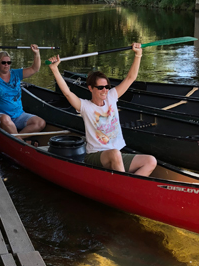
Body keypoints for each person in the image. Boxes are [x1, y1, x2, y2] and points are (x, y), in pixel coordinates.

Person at [47, 43, 157, 177]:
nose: (105, 90)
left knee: (151, 161)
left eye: (106, 86)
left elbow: (130, 78)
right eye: (100, 88)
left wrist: (138, 54)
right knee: (115, 153)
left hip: (115, 155)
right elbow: (67, 93)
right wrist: (54, 69)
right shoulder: (85, 106)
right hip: (96, 156)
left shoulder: (112, 96)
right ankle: (123, 188)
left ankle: (128, 187)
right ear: (90, 88)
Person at [0, 46, 46, 143]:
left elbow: (35, 69)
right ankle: (23, 143)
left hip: (19, 115)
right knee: (5, 119)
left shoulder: (16, 73)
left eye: (8, 62)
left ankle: (18, 140)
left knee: (40, 123)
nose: (6, 65)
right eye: (3, 62)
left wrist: (36, 53)